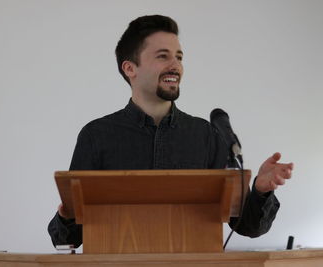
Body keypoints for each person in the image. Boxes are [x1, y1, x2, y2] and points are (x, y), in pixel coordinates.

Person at [48, 15, 294, 248]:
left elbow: (247, 226)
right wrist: (66, 214)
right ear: (130, 68)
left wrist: (261, 191)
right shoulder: (96, 136)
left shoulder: (206, 135)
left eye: (179, 57)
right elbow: (67, 239)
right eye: (163, 56)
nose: (175, 65)